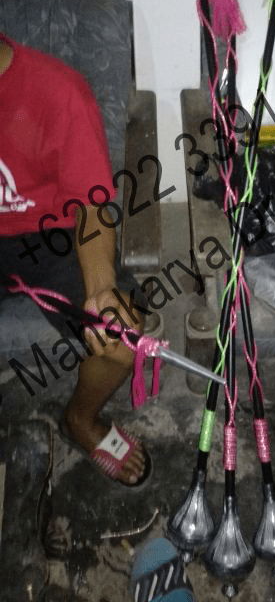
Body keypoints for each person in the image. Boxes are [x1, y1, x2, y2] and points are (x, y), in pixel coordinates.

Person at [0, 33, 150, 486]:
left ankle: (80, 420)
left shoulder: (57, 91)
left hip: (48, 231)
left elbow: (90, 203)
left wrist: (102, 288)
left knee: (120, 337)